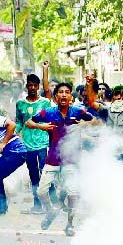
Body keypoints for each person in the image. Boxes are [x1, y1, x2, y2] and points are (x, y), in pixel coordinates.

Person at [26, 82, 95, 237]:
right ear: (56, 96)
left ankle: (70, 224)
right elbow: (28, 122)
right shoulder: (48, 112)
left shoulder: (78, 111)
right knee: (41, 191)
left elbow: (96, 121)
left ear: (71, 96)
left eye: (67, 92)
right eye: (61, 92)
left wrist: (83, 124)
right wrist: (41, 127)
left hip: (71, 159)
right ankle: (50, 212)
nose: (64, 95)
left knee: (72, 193)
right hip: (53, 158)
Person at [15, 70, 51, 214]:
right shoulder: (20, 104)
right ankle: (37, 205)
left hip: (43, 142)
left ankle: (49, 203)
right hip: (27, 144)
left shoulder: (45, 102)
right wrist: (13, 133)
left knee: (45, 173)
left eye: (35, 85)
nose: (32, 88)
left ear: (38, 87)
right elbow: (19, 122)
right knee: (33, 174)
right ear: (26, 87)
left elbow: (50, 119)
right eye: (29, 85)